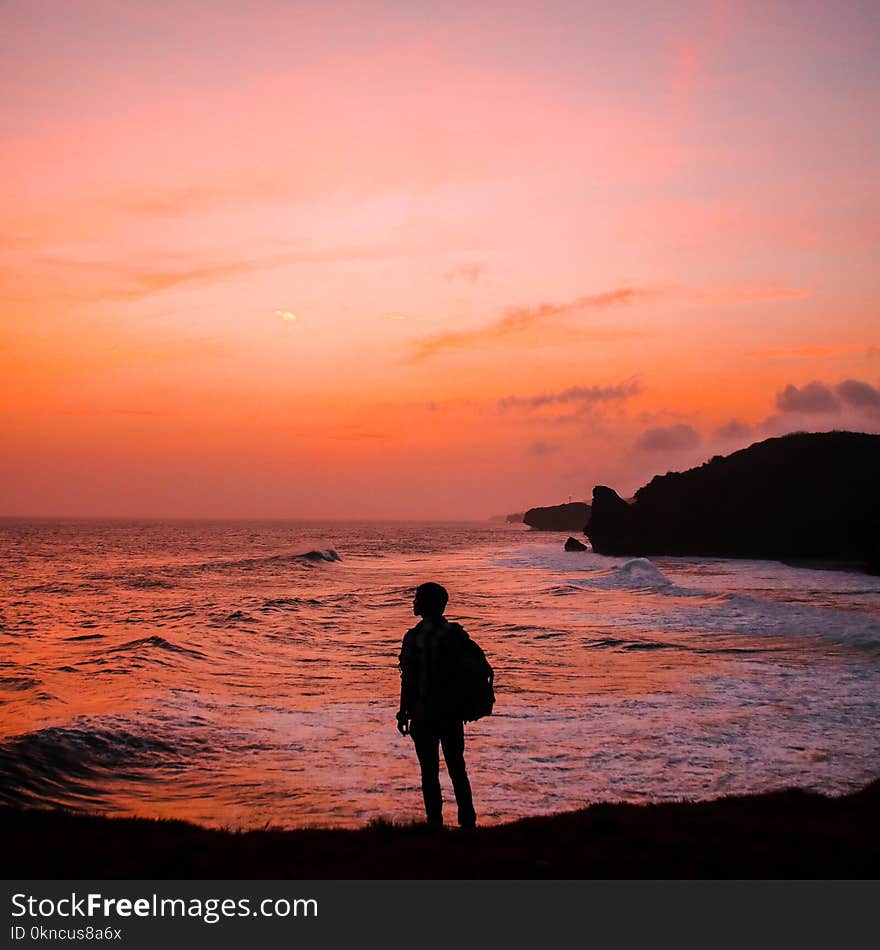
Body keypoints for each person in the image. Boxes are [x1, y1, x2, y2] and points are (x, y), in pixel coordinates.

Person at [396, 582, 490, 829]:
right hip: (451, 713)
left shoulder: (413, 637)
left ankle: (434, 824)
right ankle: (468, 824)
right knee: (458, 769)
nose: (413, 602)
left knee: (429, 774)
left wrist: (403, 712)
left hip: (423, 713)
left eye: (417, 598)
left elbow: (408, 679)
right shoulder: (455, 633)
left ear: (426, 604)